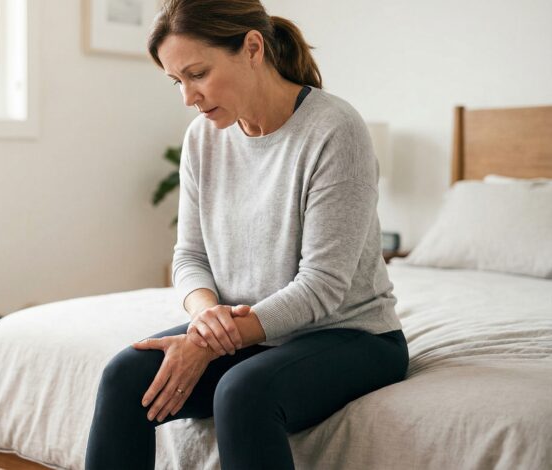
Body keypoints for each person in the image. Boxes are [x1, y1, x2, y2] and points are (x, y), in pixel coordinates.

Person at [85, 1, 409, 469]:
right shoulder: (203, 138)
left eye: (198, 73)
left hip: (350, 335)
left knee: (244, 392)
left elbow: (323, 285)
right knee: (125, 376)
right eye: (178, 81)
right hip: (247, 329)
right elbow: (190, 256)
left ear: (252, 47)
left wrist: (207, 342)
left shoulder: (335, 130)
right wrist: (204, 316)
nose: (188, 97)